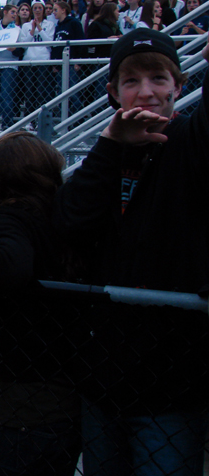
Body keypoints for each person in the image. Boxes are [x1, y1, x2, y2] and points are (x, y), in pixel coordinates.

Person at [55, 29, 209, 476]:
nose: (146, 92)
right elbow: (70, 221)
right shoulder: (104, 156)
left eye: (159, 79)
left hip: (173, 391)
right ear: (111, 92)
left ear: (179, 87)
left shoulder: (193, 144)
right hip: (103, 382)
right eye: (131, 81)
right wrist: (111, 143)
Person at [0, 133, 81, 476]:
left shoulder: (7, 218)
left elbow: (10, 263)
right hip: (66, 384)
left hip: (27, 394)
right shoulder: (58, 218)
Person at [0, 5, 22, 130]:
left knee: (6, 96)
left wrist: (14, 49)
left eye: (16, 12)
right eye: (13, 12)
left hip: (9, 65)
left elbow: (20, 50)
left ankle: (7, 125)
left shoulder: (17, 29)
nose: (15, 14)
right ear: (5, 12)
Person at [19, 0, 56, 112]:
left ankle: (40, 117)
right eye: (35, 8)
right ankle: (30, 118)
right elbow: (23, 45)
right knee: (29, 91)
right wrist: (32, 29)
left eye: (40, 8)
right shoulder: (26, 26)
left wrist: (39, 28)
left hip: (43, 61)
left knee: (41, 91)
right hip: (29, 61)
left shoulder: (49, 24)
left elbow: (49, 42)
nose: (37, 10)